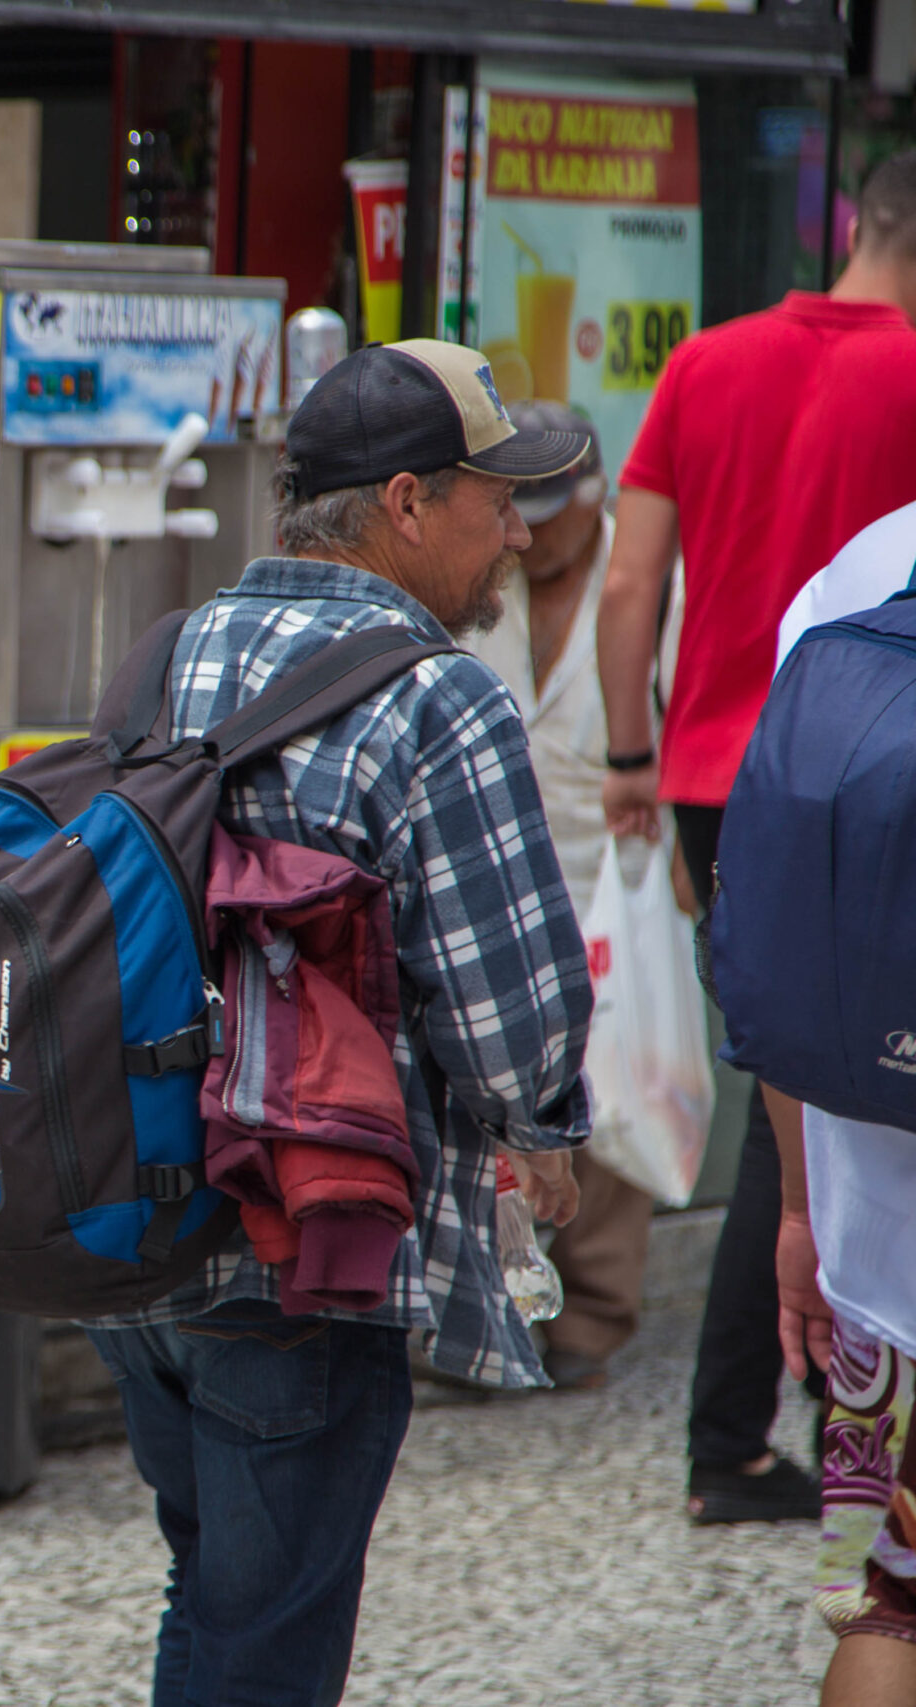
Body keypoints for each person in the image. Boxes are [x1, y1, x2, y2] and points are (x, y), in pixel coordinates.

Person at [81, 339, 593, 1707]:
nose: (519, 533)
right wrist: (544, 1128)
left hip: (135, 1222)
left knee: (216, 1592)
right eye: (498, 499)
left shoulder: (166, 653)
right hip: (305, 1235)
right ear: (410, 502)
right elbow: (512, 1003)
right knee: (273, 1642)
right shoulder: (439, 698)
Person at [597, 149, 916, 1525]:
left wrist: (631, 754)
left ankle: (766, 1421)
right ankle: (746, 1425)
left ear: (855, 224)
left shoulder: (706, 361)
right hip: (869, 783)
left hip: (718, 773)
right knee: (802, 1104)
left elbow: (630, 574)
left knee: (777, 1079)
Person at [468, 403, 682, 1391]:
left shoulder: (648, 589)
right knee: (495, 1098)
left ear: (594, 499)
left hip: (615, 874)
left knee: (611, 1103)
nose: (531, 531)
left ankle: (590, 1316)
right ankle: (495, 1307)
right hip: (498, 878)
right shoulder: (481, 585)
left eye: (549, 510)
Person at [758, 510, 916, 1707]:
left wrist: (802, 1211)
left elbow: (784, 941)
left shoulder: (860, 571)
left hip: (879, 1239)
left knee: (889, 1605)